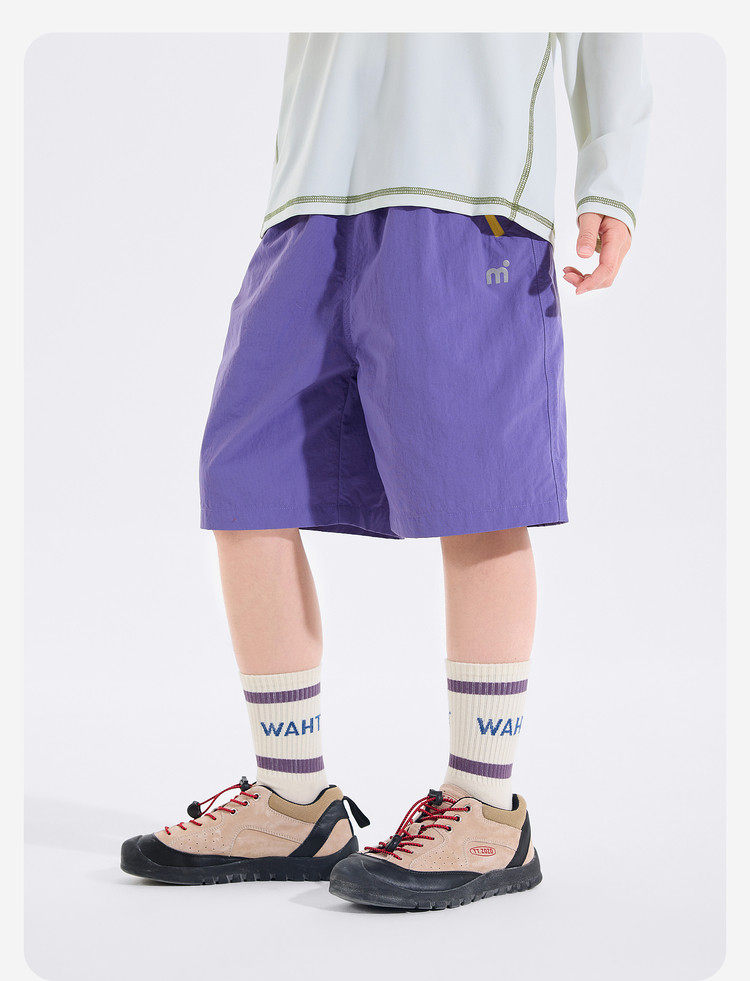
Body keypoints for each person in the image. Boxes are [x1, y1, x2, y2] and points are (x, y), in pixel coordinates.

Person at [120, 32, 650, 909]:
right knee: (244, 480)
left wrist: (611, 177)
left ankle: (485, 808)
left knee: (479, 493)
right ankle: (293, 798)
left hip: (469, 186)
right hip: (312, 191)